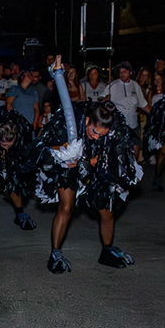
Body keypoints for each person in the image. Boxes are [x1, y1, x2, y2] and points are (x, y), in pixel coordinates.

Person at [37, 99, 142, 273]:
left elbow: (120, 157)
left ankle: (107, 251)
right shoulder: (67, 123)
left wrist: (97, 161)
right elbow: (43, 146)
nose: (96, 137)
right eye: (94, 132)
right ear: (87, 120)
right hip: (68, 168)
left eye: (101, 135)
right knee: (66, 207)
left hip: (95, 167)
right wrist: (61, 152)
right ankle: (55, 254)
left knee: (107, 209)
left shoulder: (113, 130)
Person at [99, 62, 150, 163]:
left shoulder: (135, 86)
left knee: (136, 148)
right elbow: (101, 98)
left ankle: (132, 170)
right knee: (119, 151)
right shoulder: (112, 85)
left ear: (130, 73)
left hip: (133, 123)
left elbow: (143, 104)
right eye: (120, 72)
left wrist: (154, 113)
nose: (122, 74)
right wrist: (105, 99)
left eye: (124, 72)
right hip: (118, 124)